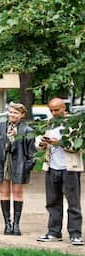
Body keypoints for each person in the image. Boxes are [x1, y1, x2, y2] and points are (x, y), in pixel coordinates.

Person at [35, 98, 83, 245]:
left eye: (56, 110)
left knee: (73, 202)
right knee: (52, 202)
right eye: (51, 110)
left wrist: (60, 143)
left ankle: (75, 234)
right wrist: (41, 143)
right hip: (51, 167)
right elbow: (37, 142)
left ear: (64, 108)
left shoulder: (75, 123)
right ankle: (54, 232)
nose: (54, 113)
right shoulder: (47, 123)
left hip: (70, 168)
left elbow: (78, 145)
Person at [0, 103, 37, 235]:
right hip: (2, 162)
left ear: (22, 115)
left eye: (16, 113)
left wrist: (27, 167)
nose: (12, 115)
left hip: (19, 163)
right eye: (11, 112)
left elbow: (32, 153)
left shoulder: (27, 130)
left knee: (18, 193)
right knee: (4, 193)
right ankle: (7, 224)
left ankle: (16, 224)